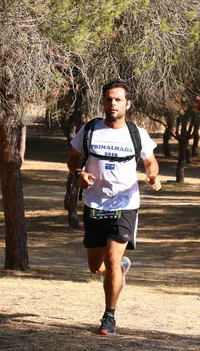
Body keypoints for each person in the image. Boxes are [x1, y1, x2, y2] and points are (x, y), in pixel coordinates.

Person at [67, 80, 161, 335]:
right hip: (94, 203)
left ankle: (109, 316)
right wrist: (79, 174)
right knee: (97, 268)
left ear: (127, 104)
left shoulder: (137, 133)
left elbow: (151, 162)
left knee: (111, 257)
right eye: (109, 99)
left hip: (125, 203)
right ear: (103, 102)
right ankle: (119, 270)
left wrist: (152, 176)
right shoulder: (89, 130)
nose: (113, 104)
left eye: (118, 99)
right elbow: (74, 159)